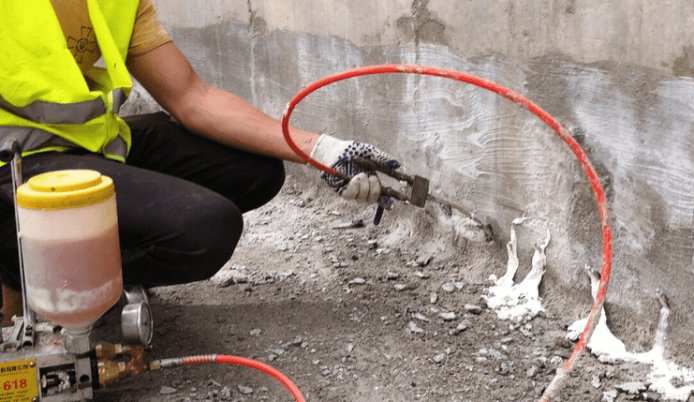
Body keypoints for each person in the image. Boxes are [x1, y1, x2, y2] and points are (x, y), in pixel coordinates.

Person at [0, 0, 400, 325]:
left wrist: (321, 150)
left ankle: (74, 257)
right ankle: (30, 272)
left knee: (253, 170)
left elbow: (193, 97)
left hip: (90, 145)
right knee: (207, 228)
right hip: (14, 164)